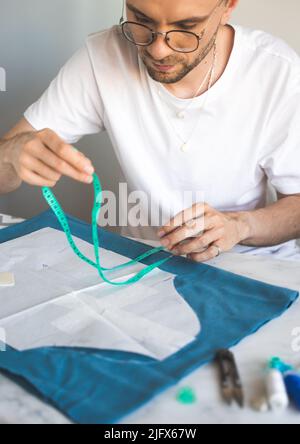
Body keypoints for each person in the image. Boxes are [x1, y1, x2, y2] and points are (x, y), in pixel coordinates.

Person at [1, 0, 300, 261]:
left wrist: (240, 226)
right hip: (142, 263)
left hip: (254, 268)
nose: (158, 49)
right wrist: (12, 157)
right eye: (142, 20)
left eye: (186, 26)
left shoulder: (276, 73)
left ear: (228, 6)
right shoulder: (101, 57)